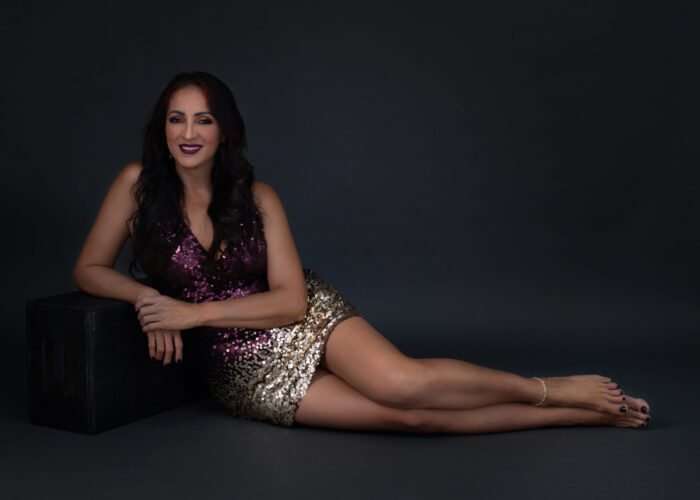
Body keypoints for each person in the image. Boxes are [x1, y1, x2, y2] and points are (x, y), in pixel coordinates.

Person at [73, 71, 651, 433]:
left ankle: (549, 388)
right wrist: (148, 301)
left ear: (224, 131)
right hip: (241, 370)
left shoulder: (258, 196)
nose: (188, 132)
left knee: (403, 383)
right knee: (411, 419)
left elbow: (290, 301)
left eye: (203, 119)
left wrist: (190, 314)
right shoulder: (135, 185)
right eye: (176, 119)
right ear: (162, 128)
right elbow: (89, 269)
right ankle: (577, 415)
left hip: (302, 320)